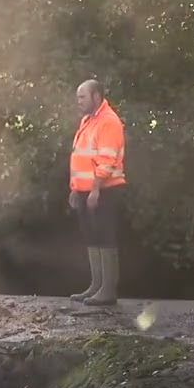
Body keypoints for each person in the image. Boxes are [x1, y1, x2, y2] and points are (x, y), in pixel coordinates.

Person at [68, 79, 127, 306]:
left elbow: (107, 159)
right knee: (92, 237)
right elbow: (80, 157)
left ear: (96, 96)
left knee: (105, 237)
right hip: (85, 191)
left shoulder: (109, 122)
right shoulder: (87, 121)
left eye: (83, 96)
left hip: (105, 190)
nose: (79, 101)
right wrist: (75, 188)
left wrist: (94, 189)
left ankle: (108, 290)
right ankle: (96, 285)